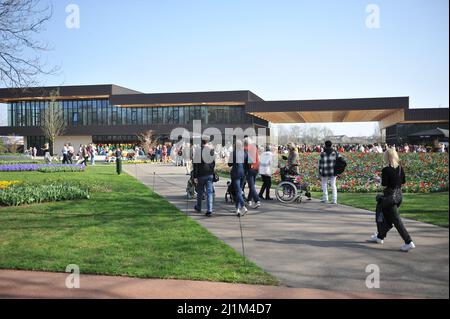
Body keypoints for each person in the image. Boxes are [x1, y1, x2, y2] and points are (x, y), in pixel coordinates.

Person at [369, 148, 415, 252]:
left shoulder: (386, 170)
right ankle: (380, 237)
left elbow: (385, 186)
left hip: (389, 198)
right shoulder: (400, 168)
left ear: (387, 157)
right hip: (398, 197)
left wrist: (379, 180)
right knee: (389, 219)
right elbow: (402, 181)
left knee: (396, 220)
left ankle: (408, 241)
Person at [193, 138, 215, 217]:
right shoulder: (211, 151)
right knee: (209, 193)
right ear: (207, 142)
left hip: (200, 174)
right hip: (209, 174)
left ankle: (199, 207)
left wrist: (194, 176)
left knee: (200, 192)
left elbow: (195, 165)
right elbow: (213, 163)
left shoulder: (198, 151)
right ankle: (209, 210)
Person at [228, 139, 248, 216]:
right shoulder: (245, 153)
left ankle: (242, 206)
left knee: (238, 191)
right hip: (243, 173)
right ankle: (237, 209)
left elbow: (229, 164)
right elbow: (249, 164)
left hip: (235, 173)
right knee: (239, 191)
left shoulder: (233, 153)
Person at [244, 137, 261, 209]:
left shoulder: (245, 149)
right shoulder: (254, 148)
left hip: (250, 169)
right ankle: (249, 200)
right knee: (252, 185)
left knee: (251, 186)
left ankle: (257, 200)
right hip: (256, 168)